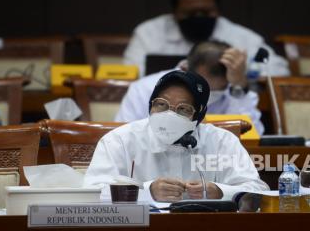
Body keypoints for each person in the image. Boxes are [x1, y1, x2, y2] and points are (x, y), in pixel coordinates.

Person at [84, 70, 268, 202]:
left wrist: (220, 192)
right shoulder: (119, 140)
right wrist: (148, 192)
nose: (169, 115)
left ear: (199, 116)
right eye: (161, 105)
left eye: (183, 109)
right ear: (150, 105)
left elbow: (257, 191)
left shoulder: (222, 141)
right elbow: (92, 194)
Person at [123, 0, 289, 77]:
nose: (199, 17)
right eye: (190, 13)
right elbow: (130, 72)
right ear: (174, 13)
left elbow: (279, 69)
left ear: (217, 10)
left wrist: (243, 69)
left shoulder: (239, 36)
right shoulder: (148, 33)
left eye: (206, 11)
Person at [116, 40, 265, 135]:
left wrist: (239, 87)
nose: (207, 96)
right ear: (185, 69)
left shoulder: (234, 90)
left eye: (215, 91)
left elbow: (254, 136)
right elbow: (123, 136)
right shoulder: (144, 89)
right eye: (202, 87)